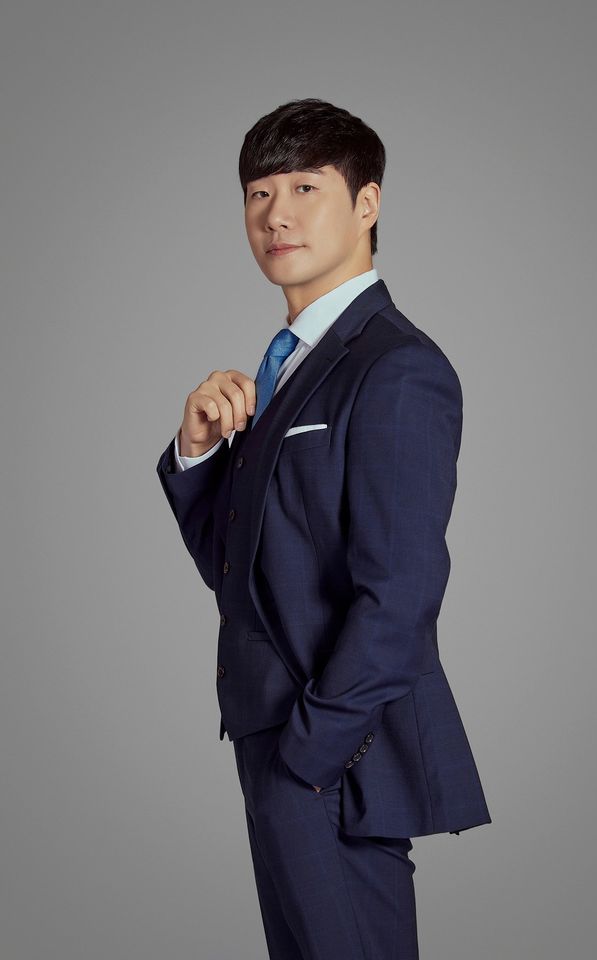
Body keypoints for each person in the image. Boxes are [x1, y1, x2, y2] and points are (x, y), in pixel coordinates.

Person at [156, 97, 491, 960]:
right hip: (278, 745)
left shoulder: (396, 366)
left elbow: (401, 596)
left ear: (367, 203)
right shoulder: (289, 368)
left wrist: (309, 756)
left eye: (305, 186)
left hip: (334, 758)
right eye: (258, 192)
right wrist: (200, 455)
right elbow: (246, 575)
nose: (277, 214)